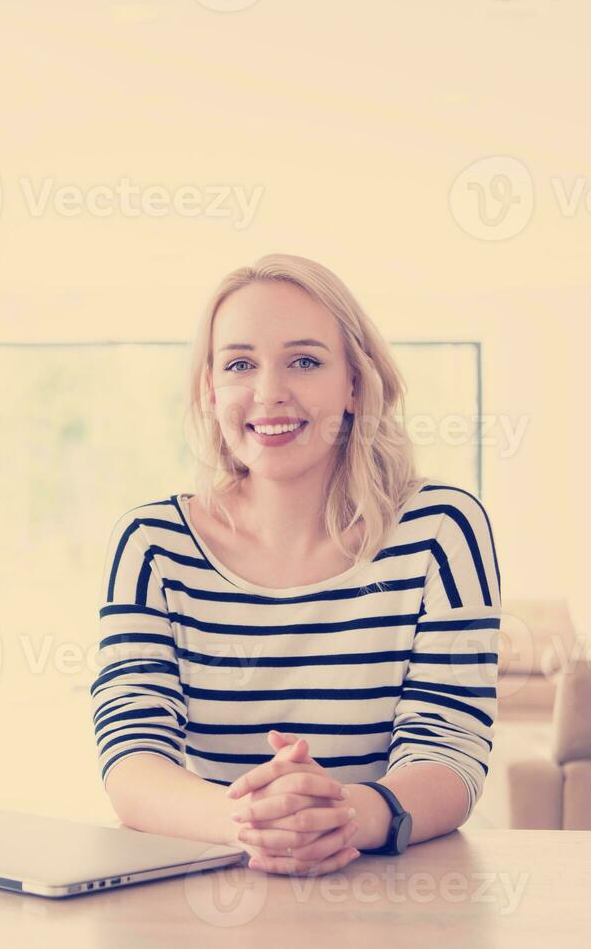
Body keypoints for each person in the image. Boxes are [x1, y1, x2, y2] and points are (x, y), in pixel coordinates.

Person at [92, 253, 501, 877]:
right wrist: (256, 824)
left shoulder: (441, 529)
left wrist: (345, 815)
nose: (268, 392)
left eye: (304, 361)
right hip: (212, 893)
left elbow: (450, 750)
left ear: (355, 383)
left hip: (385, 897)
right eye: (238, 365)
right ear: (210, 388)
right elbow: (131, 758)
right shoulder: (151, 543)